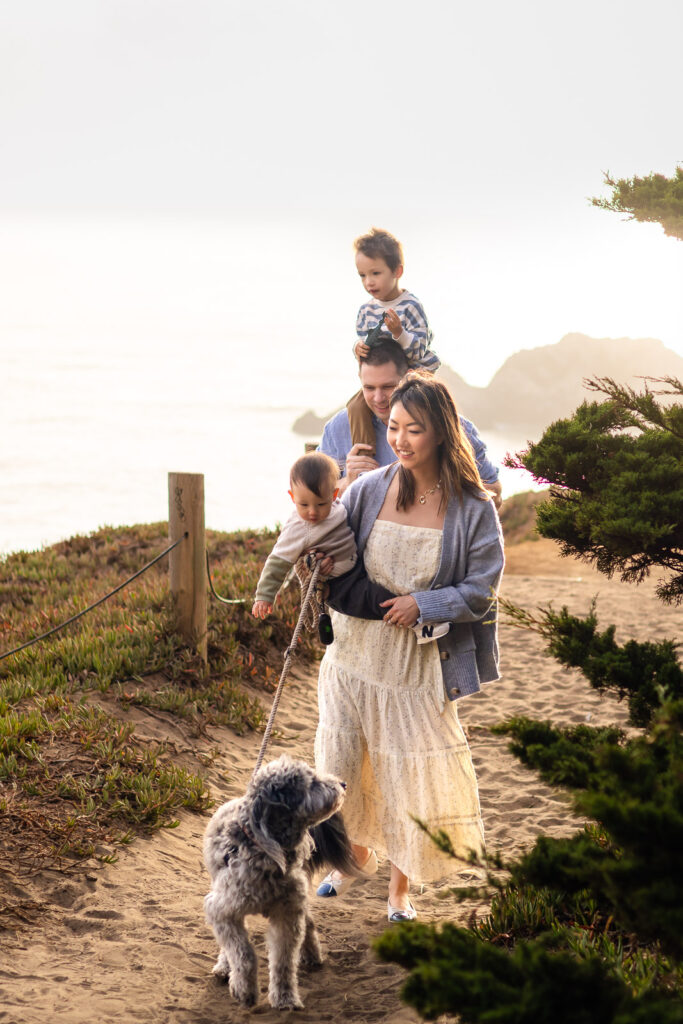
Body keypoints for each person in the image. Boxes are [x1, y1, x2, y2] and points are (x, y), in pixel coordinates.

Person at [314, 372, 505, 923]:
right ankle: (350, 852)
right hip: (352, 659)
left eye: (413, 430)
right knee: (342, 764)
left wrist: (426, 604)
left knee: (407, 775)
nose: (399, 440)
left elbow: (482, 588)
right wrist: (317, 558)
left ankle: (398, 890)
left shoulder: (473, 507)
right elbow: (334, 542)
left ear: (442, 433)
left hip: (417, 668)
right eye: (393, 427)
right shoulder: (370, 488)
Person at [252, 451, 450, 644]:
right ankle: (420, 625)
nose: (312, 512)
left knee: (381, 588)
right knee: (376, 599)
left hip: (355, 567)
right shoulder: (298, 527)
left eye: (321, 504)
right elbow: (278, 561)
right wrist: (264, 596)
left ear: (334, 494)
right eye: (303, 504)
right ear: (292, 497)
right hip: (340, 584)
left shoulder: (337, 505)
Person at [320, 339, 503, 507]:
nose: (378, 398)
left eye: (387, 387)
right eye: (369, 388)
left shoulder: (454, 427)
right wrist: (347, 483)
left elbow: (495, 493)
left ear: (408, 377)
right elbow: (311, 497)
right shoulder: (339, 428)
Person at [347, 228, 439, 458]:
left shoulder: (410, 306)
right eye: (362, 275)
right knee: (356, 406)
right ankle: (365, 456)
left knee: (418, 411)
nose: (369, 282)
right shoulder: (366, 310)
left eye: (376, 273)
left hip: (416, 376)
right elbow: (369, 348)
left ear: (397, 271)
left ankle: (422, 455)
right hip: (386, 376)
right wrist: (358, 348)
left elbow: (420, 349)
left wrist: (400, 332)